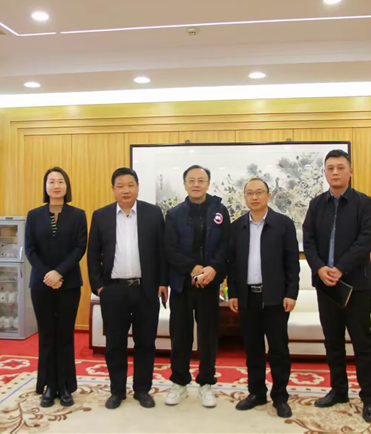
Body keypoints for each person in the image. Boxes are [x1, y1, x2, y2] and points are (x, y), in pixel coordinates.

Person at [302, 149, 371, 423]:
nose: (335, 172)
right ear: (325, 172)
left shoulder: (364, 203)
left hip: (356, 285)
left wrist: (340, 268)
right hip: (326, 285)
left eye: (340, 167)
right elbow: (308, 241)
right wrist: (320, 268)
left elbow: (367, 240)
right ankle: (339, 390)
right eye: (330, 168)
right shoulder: (316, 204)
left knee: (362, 343)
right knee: (333, 341)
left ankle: (368, 398)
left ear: (350, 171)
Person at [87, 167, 167, 410]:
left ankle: (142, 390)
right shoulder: (101, 215)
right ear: (113, 189)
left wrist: (162, 282)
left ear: (138, 188)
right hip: (113, 290)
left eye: (130, 185)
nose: (126, 190)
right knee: (115, 344)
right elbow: (93, 255)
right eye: (120, 186)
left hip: (145, 290)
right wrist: (99, 287)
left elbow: (162, 251)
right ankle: (117, 391)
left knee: (146, 343)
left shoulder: (153, 214)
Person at [227, 177, 300, 418]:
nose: (255, 197)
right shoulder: (237, 227)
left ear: (269, 196)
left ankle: (280, 397)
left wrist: (291, 293)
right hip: (248, 297)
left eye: (259, 192)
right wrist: (233, 293)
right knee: (253, 349)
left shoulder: (283, 224)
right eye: (250, 193)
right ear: (245, 197)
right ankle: (256, 393)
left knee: (278, 349)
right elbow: (232, 265)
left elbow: (292, 263)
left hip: (275, 298)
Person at [164, 165, 230, 408]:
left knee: (208, 336)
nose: (196, 184)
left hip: (209, 284)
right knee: (180, 336)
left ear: (208, 183)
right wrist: (193, 268)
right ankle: (179, 383)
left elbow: (226, 245)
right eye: (191, 180)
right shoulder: (174, 214)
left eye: (201, 180)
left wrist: (212, 269)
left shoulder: (220, 210)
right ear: (185, 184)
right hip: (182, 284)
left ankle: (206, 383)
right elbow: (170, 248)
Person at [25, 167, 88, 408]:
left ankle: (65, 386)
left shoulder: (78, 215)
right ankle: (49, 386)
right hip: (41, 285)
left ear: (67, 186)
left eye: (60, 181)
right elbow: (30, 249)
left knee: (64, 335)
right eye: (51, 181)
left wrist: (59, 272)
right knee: (47, 336)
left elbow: (79, 248)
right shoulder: (33, 215)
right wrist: (47, 274)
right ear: (45, 186)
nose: (56, 185)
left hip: (68, 284)